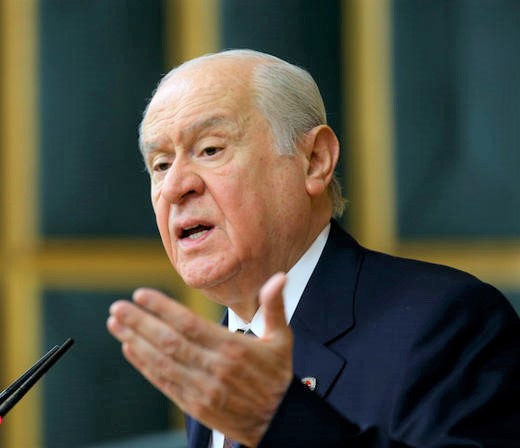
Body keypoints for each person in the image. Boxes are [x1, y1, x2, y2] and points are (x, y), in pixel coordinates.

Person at [107, 49, 520, 447]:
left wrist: (278, 422)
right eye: (161, 165)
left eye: (211, 149)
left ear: (314, 160)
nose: (175, 187)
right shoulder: (222, 362)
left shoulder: (447, 322)